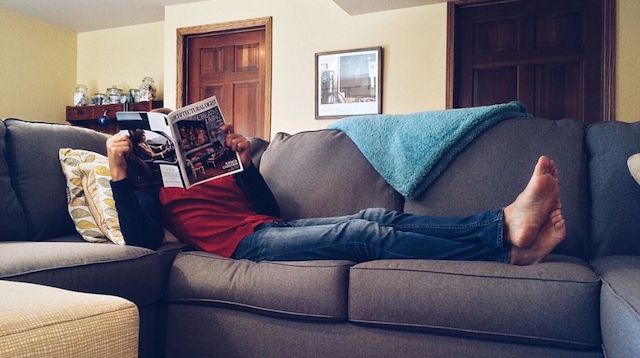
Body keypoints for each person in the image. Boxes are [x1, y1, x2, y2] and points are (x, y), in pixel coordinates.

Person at [107, 125, 566, 266]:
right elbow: (143, 240)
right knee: (360, 233)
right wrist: (119, 173)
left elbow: (267, 211)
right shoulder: (152, 186)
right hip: (244, 247)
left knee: (374, 216)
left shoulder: (219, 170)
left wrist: (245, 165)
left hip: (267, 228)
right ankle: (503, 237)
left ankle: (503, 231)